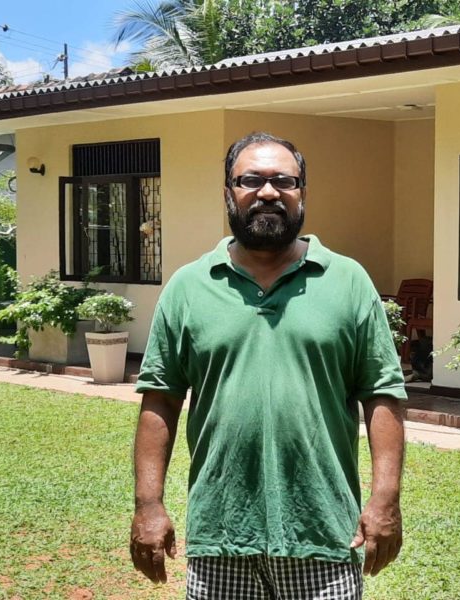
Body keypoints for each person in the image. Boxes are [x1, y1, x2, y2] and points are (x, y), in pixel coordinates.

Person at [130, 132, 407, 599]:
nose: (268, 192)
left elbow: (382, 393)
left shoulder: (348, 281)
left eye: (284, 180)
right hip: (220, 535)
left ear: (302, 193)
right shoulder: (189, 286)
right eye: (251, 180)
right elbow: (161, 398)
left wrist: (385, 499)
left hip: (323, 533)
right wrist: (148, 504)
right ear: (228, 193)